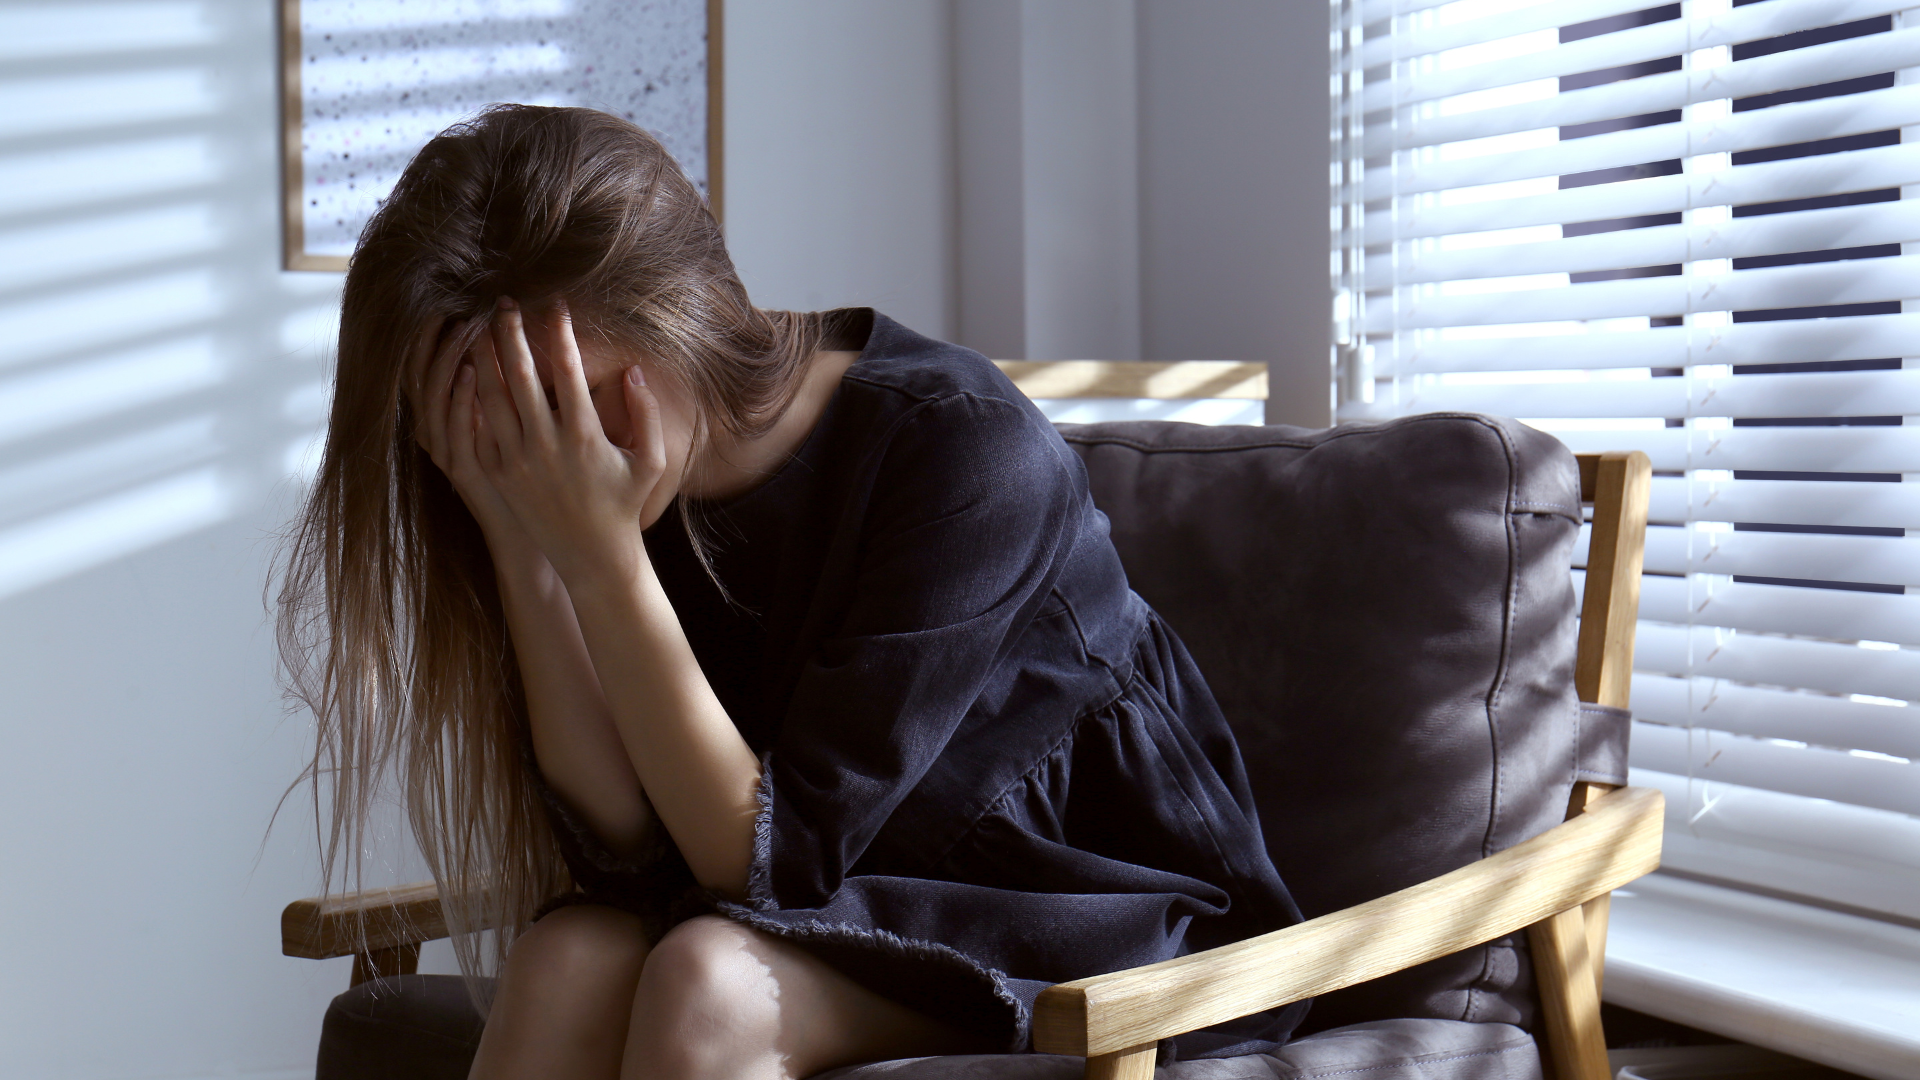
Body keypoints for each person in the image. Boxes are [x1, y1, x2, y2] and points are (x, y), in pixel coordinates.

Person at [279, 104, 1307, 1080]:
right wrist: (521, 544)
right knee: (569, 957)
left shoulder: (963, 449)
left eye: (560, 405)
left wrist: (595, 555)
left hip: (1080, 919)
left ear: (676, 325)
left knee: (710, 982)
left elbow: (763, 860)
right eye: (491, 425)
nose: (533, 455)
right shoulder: (575, 493)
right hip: (830, 908)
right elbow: (628, 857)